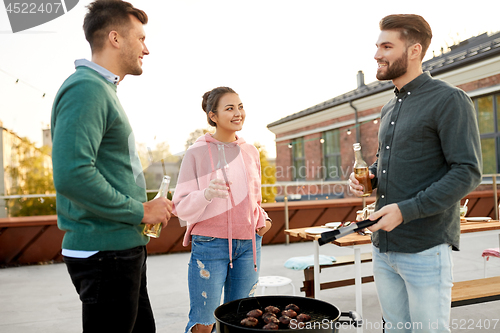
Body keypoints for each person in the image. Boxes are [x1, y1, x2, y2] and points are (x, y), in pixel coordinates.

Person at [349, 14, 482, 333]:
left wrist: (406, 211)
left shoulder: (450, 100)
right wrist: (369, 176)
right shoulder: (388, 108)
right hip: (382, 245)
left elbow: (467, 172)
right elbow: (387, 165)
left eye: (386, 46)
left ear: (414, 50)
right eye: (377, 46)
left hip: (425, 245)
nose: (377, 54)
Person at [51, 1, 172, 332]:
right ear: (115, 38)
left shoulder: (102, 89)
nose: (146, 49)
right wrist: (141, 211)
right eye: (141, 38)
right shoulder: (86, 88)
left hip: (119, 249)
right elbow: (72, 175)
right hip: (106, 255)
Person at [173, 87, 272, 333]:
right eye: (230, 108)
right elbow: (180, 205)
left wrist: (263, 219)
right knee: (203, 323)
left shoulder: (251, 151)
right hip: (210, 245)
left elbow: (255, 199)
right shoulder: (196, 152)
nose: (238, 113)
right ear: (212, 115)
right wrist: (205, 195)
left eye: (240, 106)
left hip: (249, 244)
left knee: (242, 321)